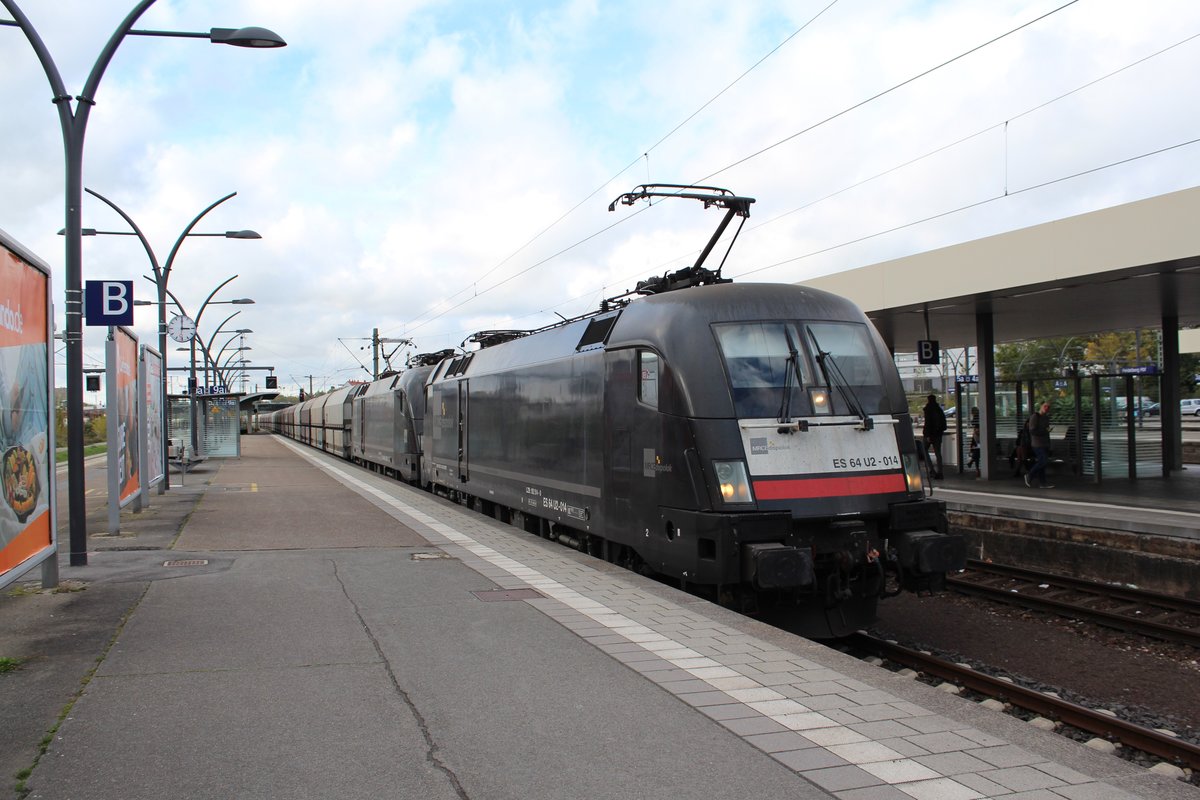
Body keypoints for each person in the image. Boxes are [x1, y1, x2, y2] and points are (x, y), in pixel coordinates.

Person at [1024, 401, 1054, 489]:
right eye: (1045, 406)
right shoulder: (1035, 416)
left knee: (1043, 463)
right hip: (1037, 443)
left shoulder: (1046, 418)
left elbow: (1047, 431)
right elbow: (1032, 431)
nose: (1046, 408)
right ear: (1041, 406)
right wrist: (1044, 431)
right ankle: (1030, 475)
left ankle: (1043, 483)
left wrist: (1048, 441)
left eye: (1048, 407)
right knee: (1043, 461)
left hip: (1045, 443)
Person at [922, 394, 947, 479]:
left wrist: (928, 435)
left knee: (924, 450)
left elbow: (928, 423)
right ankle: (940, 472)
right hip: (938, 435)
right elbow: (944, 424)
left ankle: (932, 470)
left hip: (929, 435)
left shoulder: (928, 409)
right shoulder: (939, 410)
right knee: (938, 453)